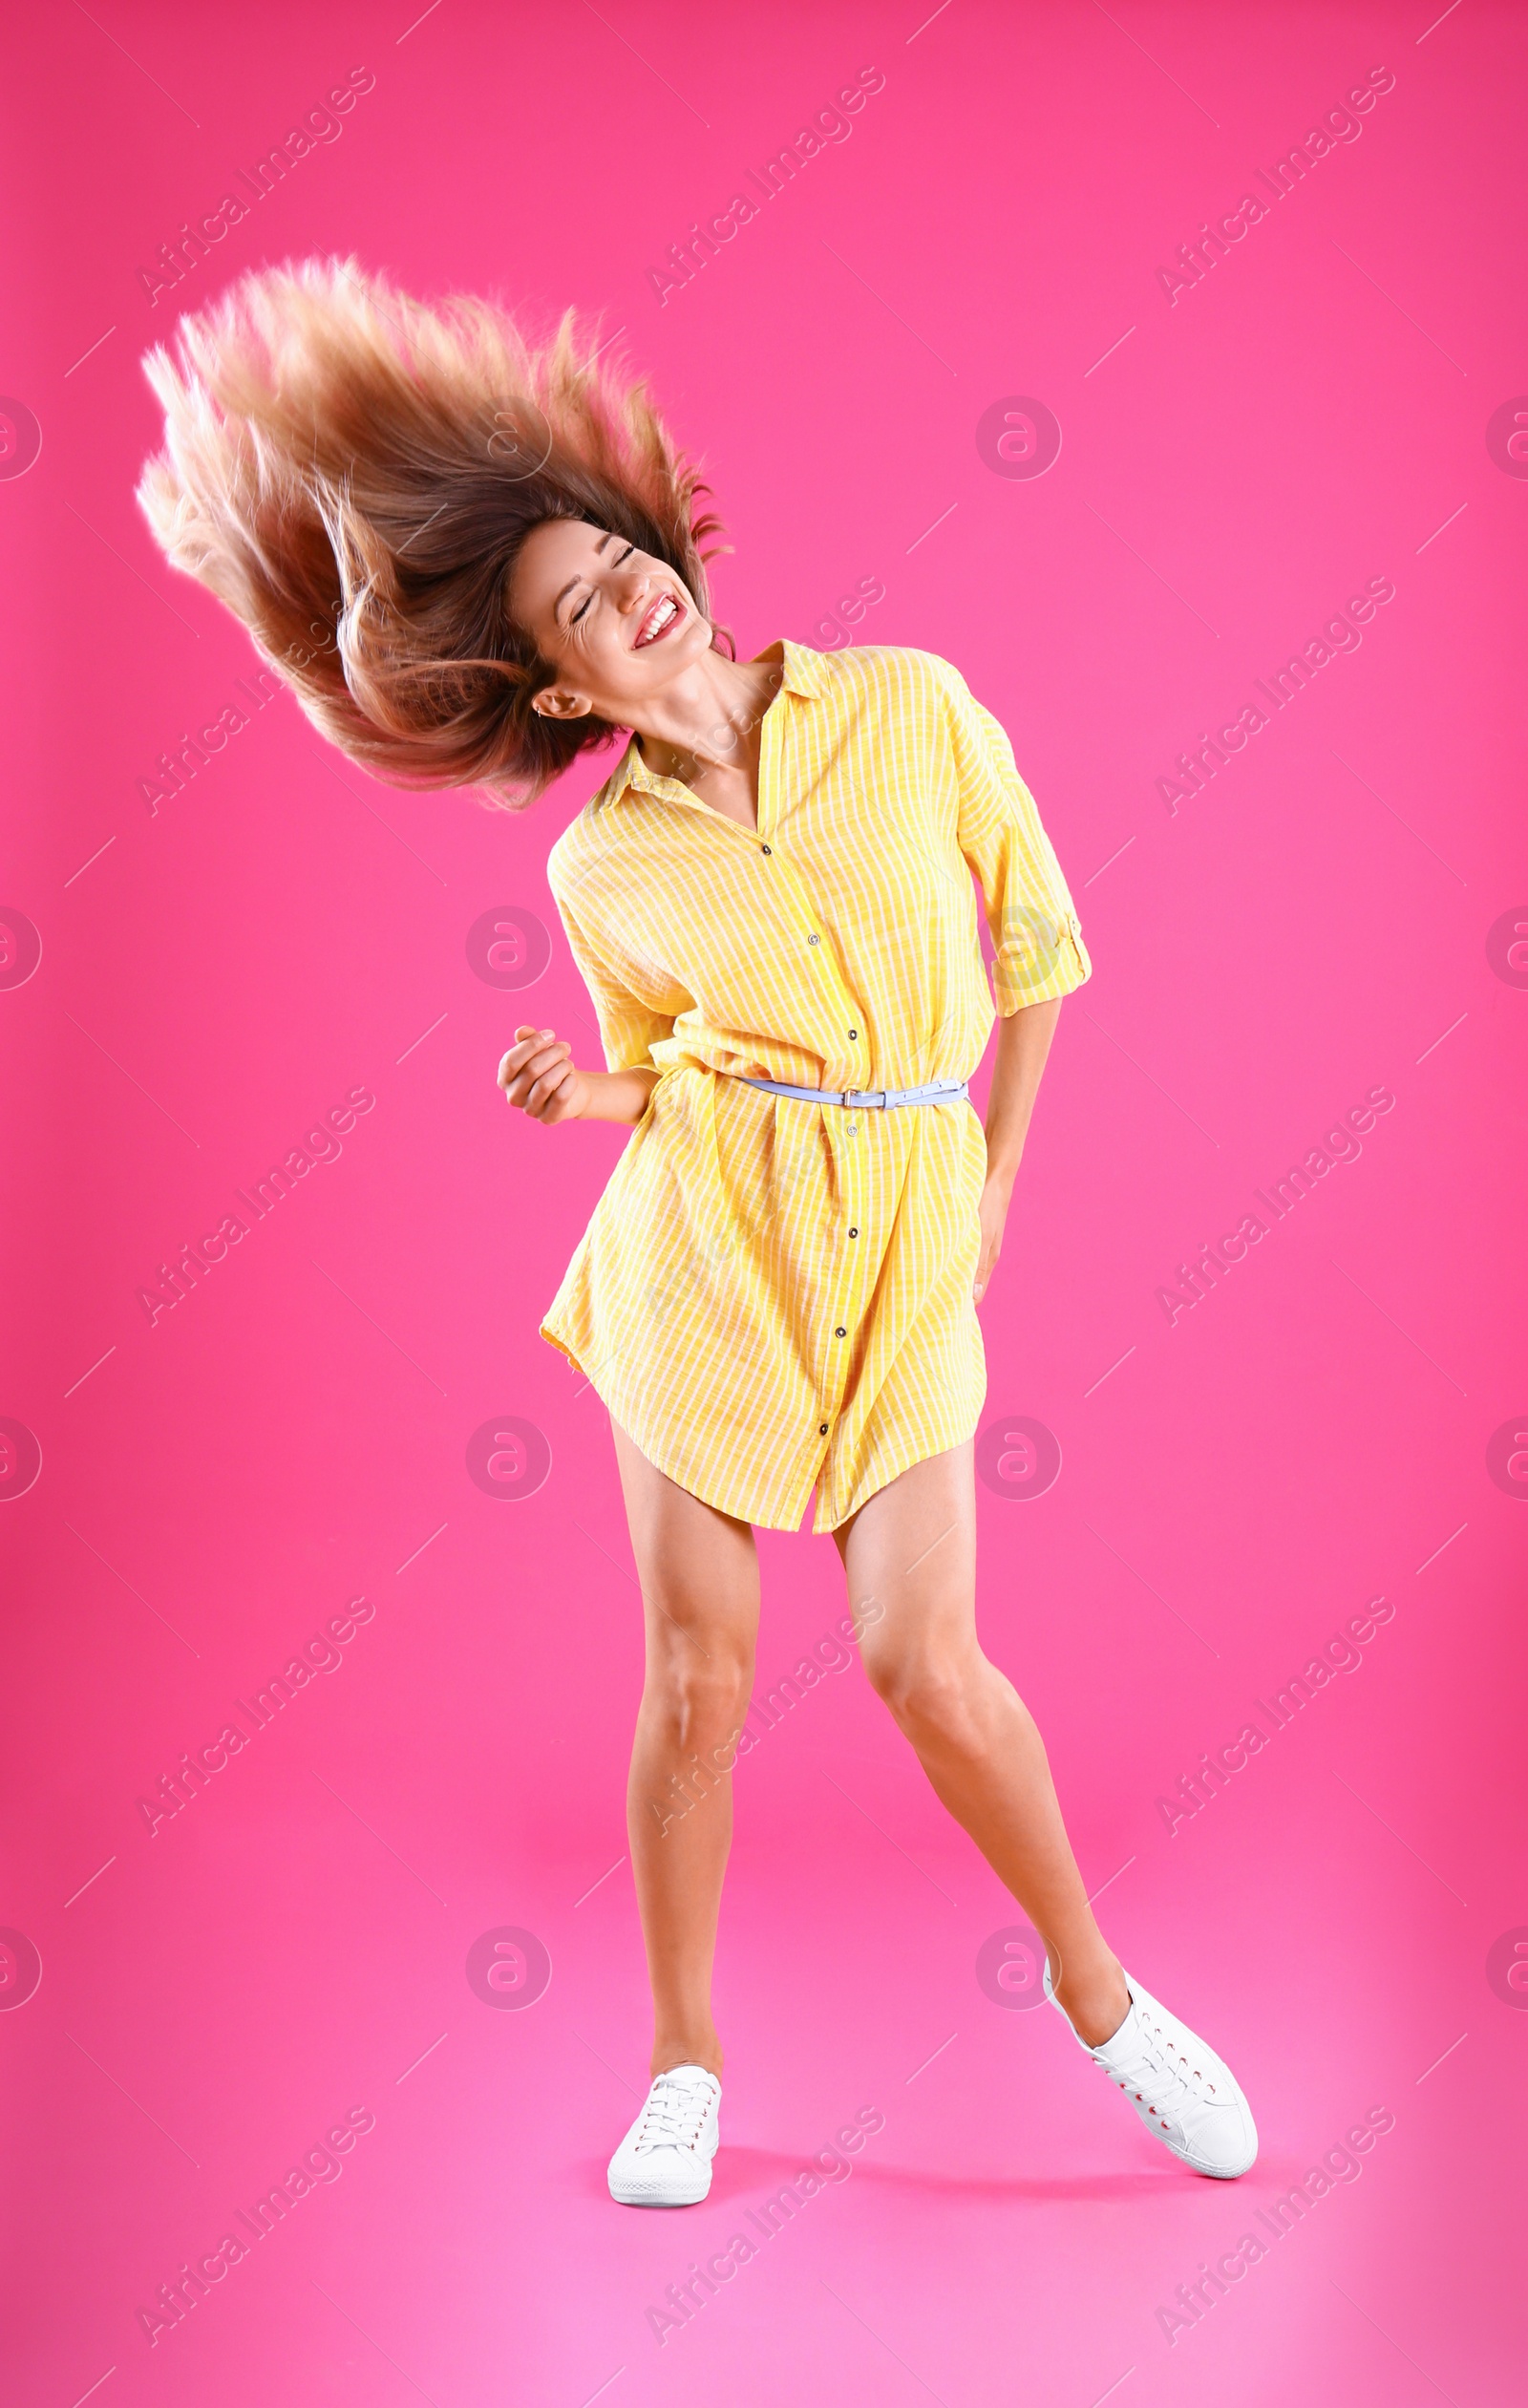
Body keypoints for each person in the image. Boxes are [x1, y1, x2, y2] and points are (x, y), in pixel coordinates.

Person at [138, 257, 1257, 2209]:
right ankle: (682, 2060)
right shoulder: (599, 862)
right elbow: (666, 1062)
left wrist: (989, 1185)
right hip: (701, 1260)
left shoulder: (906, 710)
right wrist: (585, 1100)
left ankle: (1098, 1994)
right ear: (561, 684)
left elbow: (1043, 944)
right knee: (694, 1682)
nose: (627, 590)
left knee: (927, 1663)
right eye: (579, 604)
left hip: (907, 1245)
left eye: (618, 555)